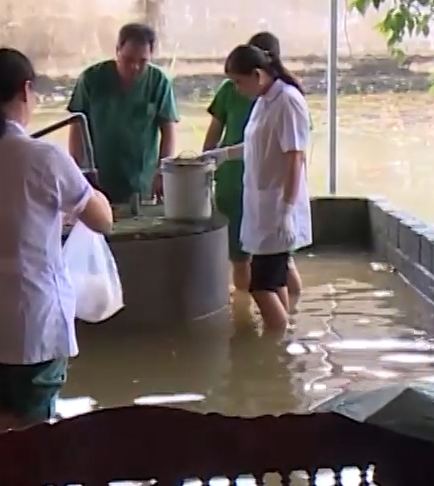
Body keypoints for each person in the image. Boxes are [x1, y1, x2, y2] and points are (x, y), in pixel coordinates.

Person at [0, 47, 115, 430]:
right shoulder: (44, 157)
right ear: (26, 90)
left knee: (1, 430)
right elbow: (103, 220)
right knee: (33, 445)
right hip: (31, 320)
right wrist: (91, 194)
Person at [201, 44, 310, 334]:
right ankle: (284, 335)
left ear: (258, 74)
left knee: (260, 286)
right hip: (260, 205)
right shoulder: (264, 100)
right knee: (273, 282)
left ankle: (275, 347)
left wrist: (287, 210)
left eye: (238, 81)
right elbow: (257, 144)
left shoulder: (287, 101)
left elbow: (294, 156)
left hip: (276, 206)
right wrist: (223, 154)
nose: (236, 89)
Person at [68, 23, 177, 209]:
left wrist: (162, 172)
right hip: (97, 176)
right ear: (117, 51)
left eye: (142, 61)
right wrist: (76, 172)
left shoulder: (158, 82)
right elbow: (77, 126)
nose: (134, 67)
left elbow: (168, 131)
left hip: (141, 177)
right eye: (128, 59)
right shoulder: (91, 79)